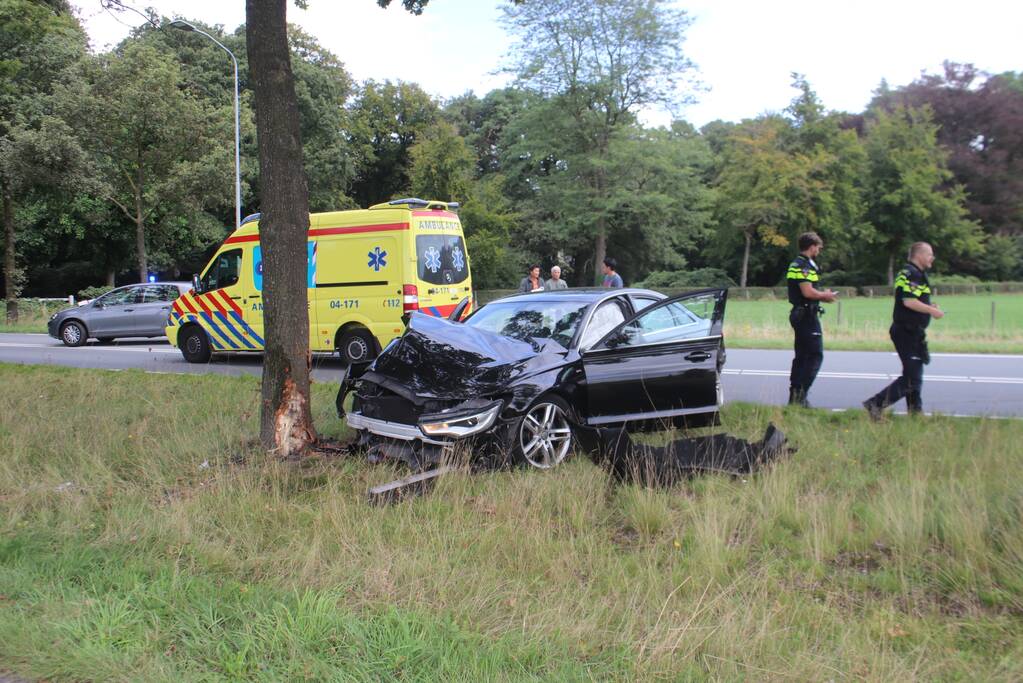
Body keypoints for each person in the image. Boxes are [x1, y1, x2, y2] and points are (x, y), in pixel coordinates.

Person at [863, 242, 944, 419]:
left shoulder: (915, 274)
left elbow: (913, 299)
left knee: (914, 373)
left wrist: (928, 305)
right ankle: (875, 404)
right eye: (930, 254)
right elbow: (908, 301)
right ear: (919, 255)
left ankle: (915, 413)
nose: (932, 258)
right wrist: (932, 311)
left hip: (913, 331)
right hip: (907, 331)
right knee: (912, 378)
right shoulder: (912, 273)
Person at [786, 232, 838, 407]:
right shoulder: (803, 266)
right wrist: (825, 296)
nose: (819, 250)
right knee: (815, 355)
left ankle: (795, 399)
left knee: (801, 357)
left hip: (802, 314)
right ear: (812, 246)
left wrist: (821, 294)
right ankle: (800, 396)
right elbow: (807, 292)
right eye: (818, 247)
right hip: (806, 315)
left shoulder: (798, 264)